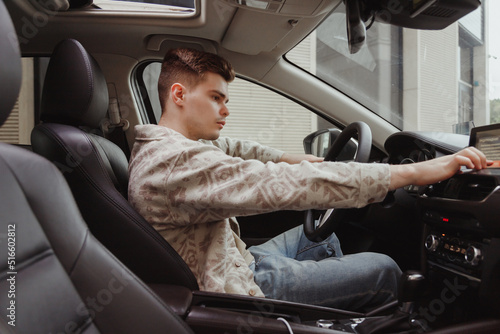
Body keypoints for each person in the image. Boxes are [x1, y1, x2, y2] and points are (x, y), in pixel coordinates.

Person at [128, 48, 489, 311]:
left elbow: (233, 146)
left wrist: (288, 156)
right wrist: (415, 172)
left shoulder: (168, 145)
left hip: (236, 260)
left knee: (321, 231)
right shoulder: (175, 162)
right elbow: (285, 183)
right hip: (239, 288)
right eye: (216, 98)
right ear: (179, 94)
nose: (226, 110)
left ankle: (325, 309)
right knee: (384, 269)